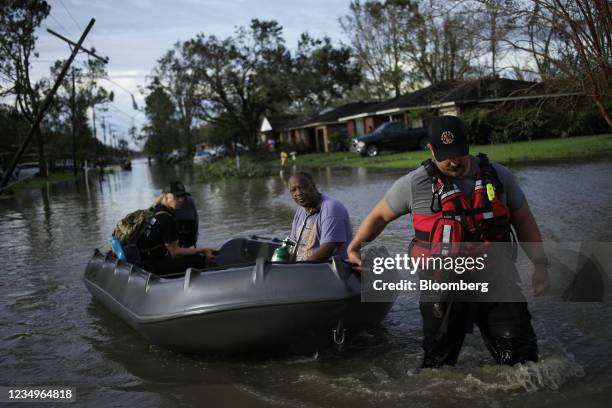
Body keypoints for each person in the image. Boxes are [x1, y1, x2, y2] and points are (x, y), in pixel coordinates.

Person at [347, 116, 550, 368]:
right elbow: (379, 216)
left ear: (468, 143)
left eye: (459, 153)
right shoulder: (413, 184)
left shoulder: (498, 176)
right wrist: (355, 246)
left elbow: (524, 220)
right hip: (443, 286)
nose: (454, 161)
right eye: (445, 156)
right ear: (431, 149)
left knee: (523, 362)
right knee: (439, 366)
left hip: (498, 281)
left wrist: (540, 265)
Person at [138, 181, 216, 275]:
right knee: (199, 260)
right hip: (151, 266)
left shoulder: (154, 210)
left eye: (182, 196)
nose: (181, 200)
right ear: (166, 196)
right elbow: (175, 253)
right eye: (177, 196)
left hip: (143, 260)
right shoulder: (166, 218)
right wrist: (202, 250)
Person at [288, 171, 353, 261]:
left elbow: (327, 251)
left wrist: (299, 268)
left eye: (302, 187)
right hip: (306, 268)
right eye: (293, 190)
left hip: (330, 269)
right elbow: (291, 244)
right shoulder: (300, 211)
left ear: (313, 185)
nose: (298, 193)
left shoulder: (331, 208)